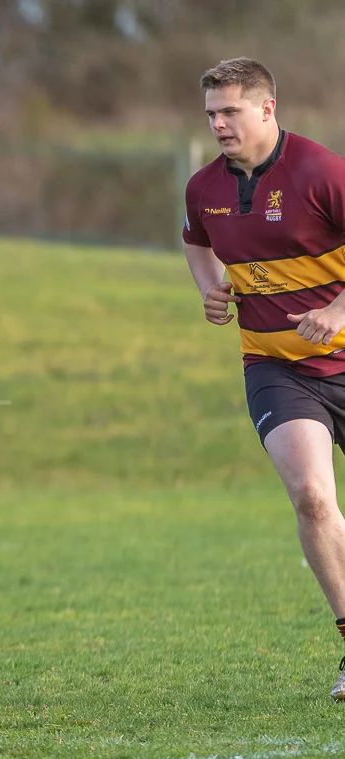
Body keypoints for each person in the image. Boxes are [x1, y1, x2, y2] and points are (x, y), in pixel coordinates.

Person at [182, 57, 345, 699]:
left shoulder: (320, 171)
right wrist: (207, 287)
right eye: (211, 115)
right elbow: (196, 240)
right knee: (309, 494)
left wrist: (336, 309)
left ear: (268, 108)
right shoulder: (203, 187)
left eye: (230, 111)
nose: (219, 124)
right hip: (275, 367)